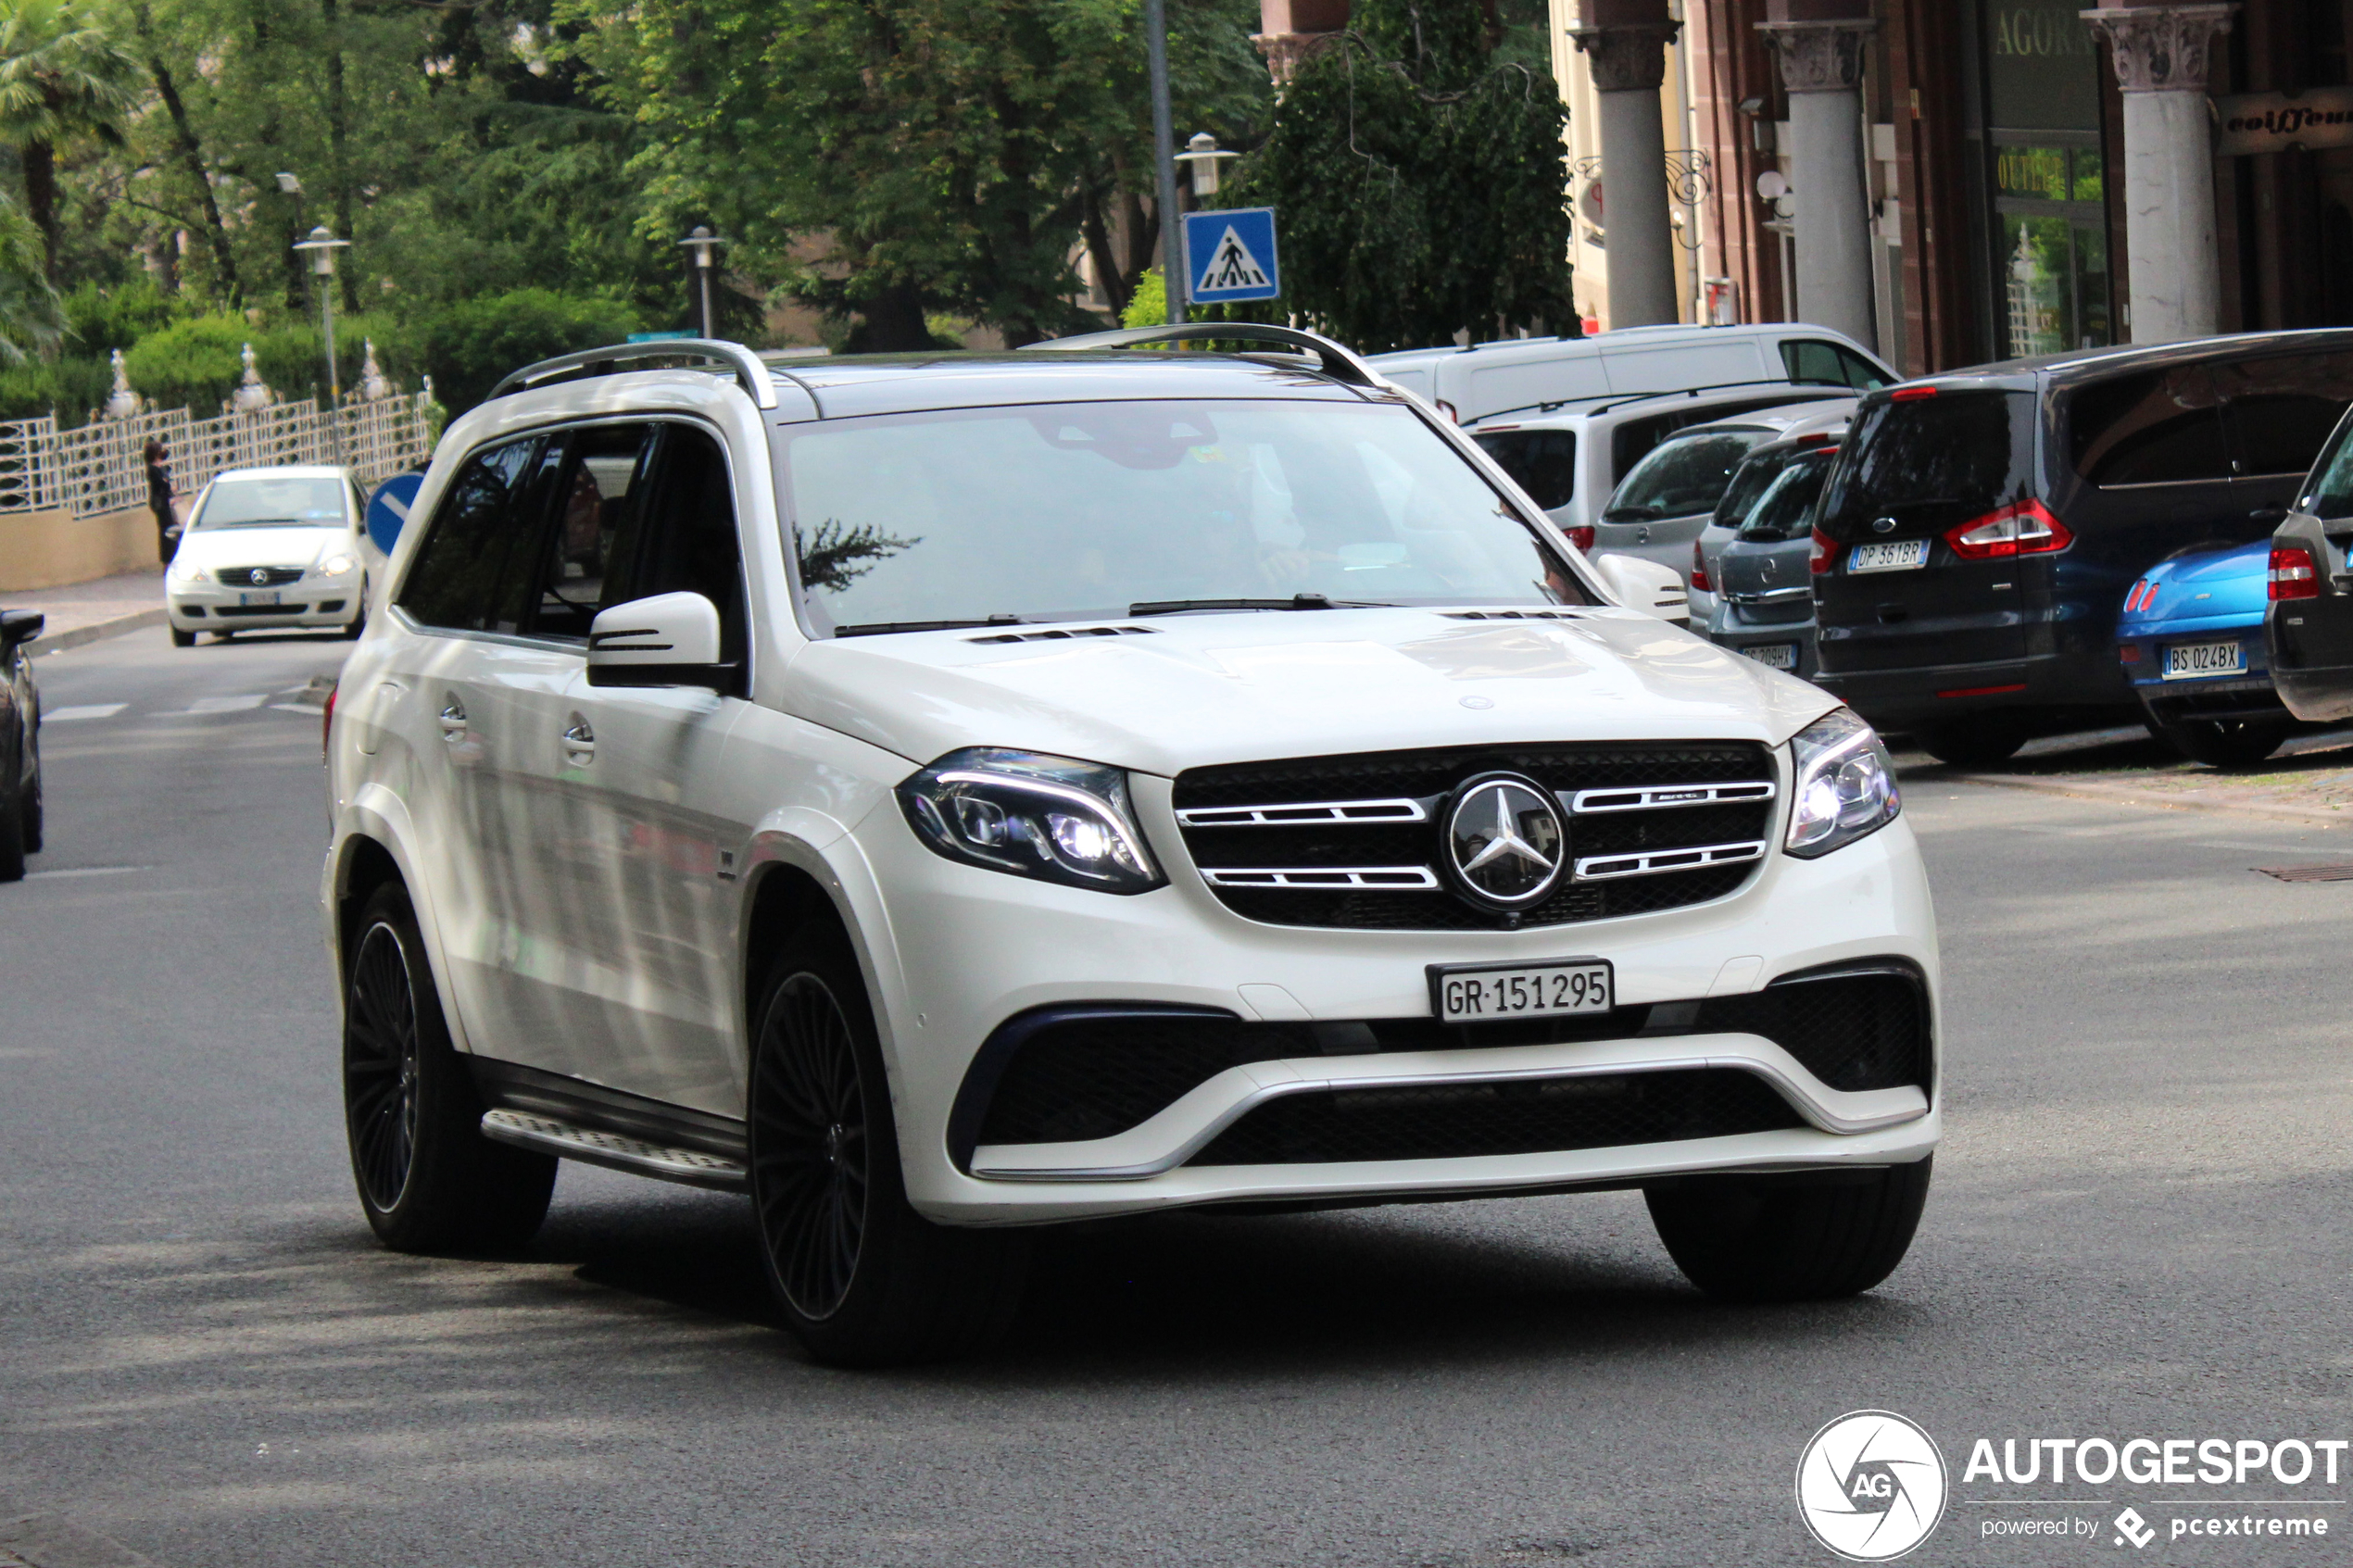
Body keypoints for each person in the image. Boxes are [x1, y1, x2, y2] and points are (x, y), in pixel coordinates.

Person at [145, 440, 175, 565]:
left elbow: (166, 482)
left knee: (170, 528)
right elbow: (161, 484)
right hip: (160, 503)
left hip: (165, 501)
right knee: (166, 530)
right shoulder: (152, 469)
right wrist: (167, 484)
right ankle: (166, 559)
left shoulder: (160, 467)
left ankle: (170, 556)